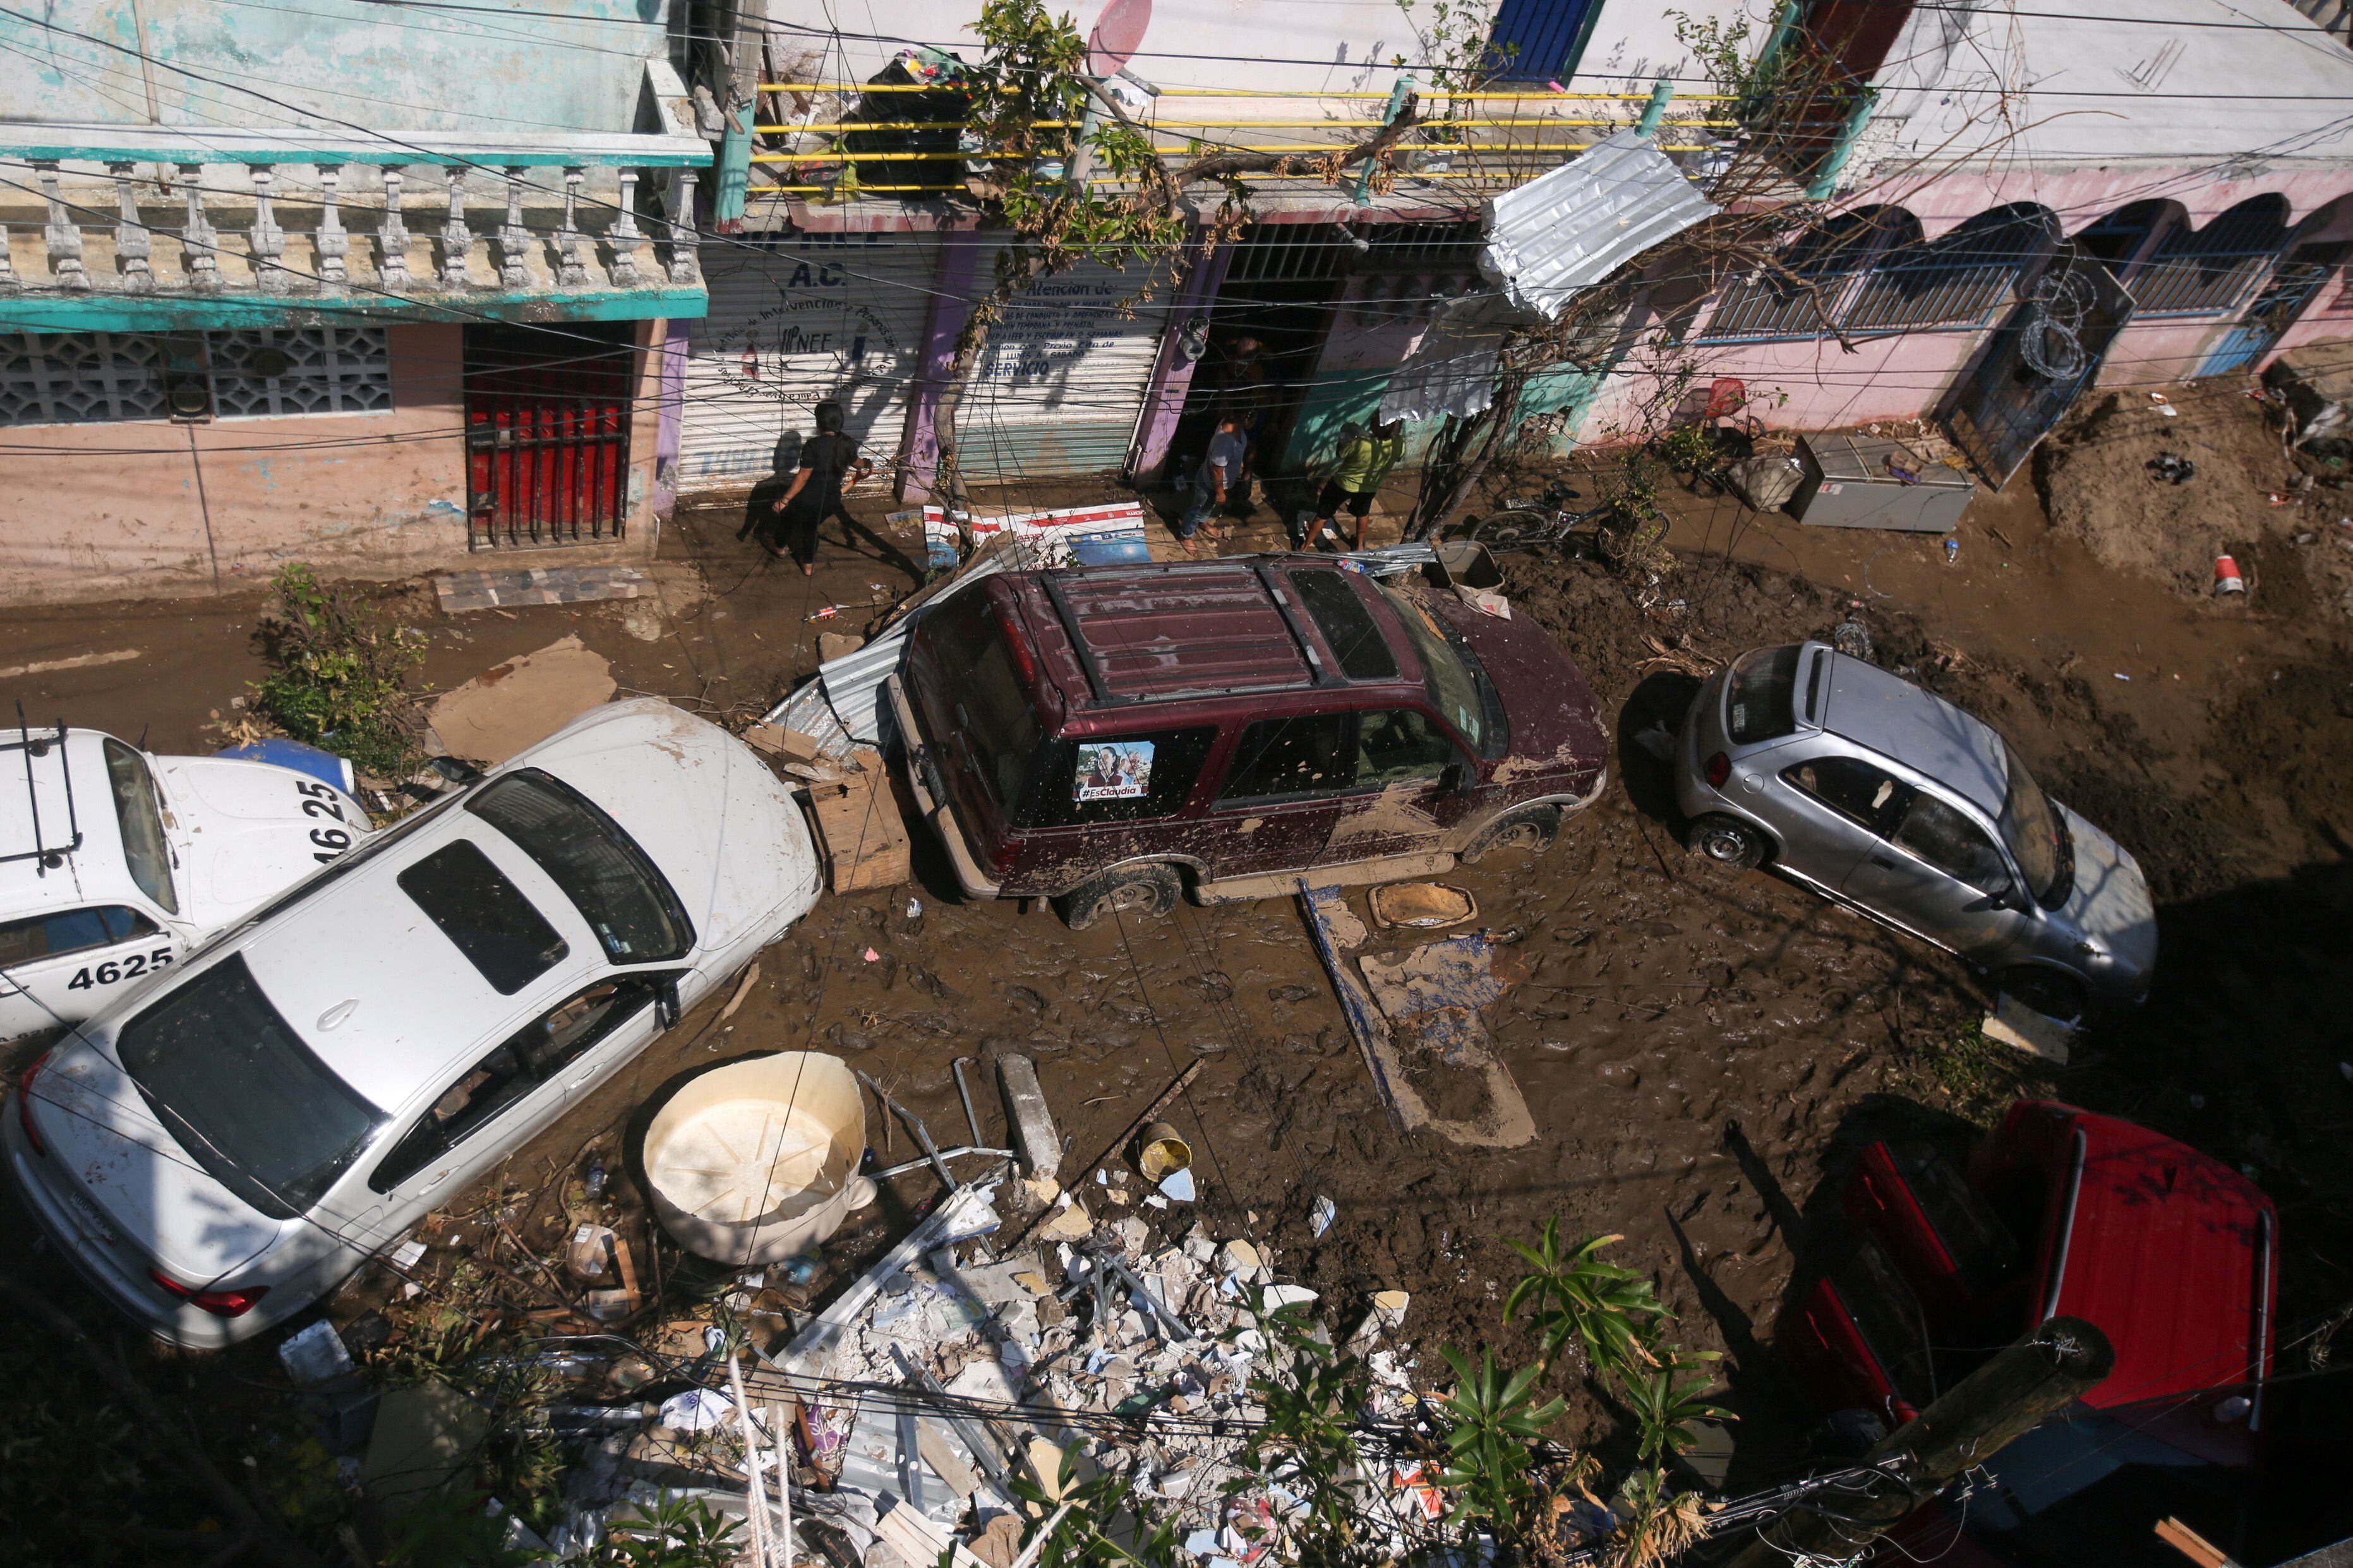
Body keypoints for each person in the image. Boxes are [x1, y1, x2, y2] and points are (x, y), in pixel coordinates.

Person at [749, 400, 872, 575]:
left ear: (819, 422)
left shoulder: (813, 446)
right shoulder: (847, 444)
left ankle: (779, 547)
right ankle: (808, 565)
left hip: (807, 501)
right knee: (812, 527)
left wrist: (785, 500)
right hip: (831, 502)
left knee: (788, 520)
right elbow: (859, 463)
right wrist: (868, 463)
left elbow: (803, 476)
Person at [1311, 416, 1407, 550]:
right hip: (1369, 488)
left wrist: (1345, 437)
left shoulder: (1361, 443)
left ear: (1378, 426)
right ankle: (1359, 545)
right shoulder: (1399, 442)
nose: (1371, 420)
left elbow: (1341, 454)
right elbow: (1398, 458)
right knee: (1362, 513)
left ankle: (1304, 547)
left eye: (1374, 420)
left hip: (1343, 484)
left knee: (1323, 514)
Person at [1180, 412, 1247, 546]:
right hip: (1210, 484)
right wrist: (1220, 492)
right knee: (1197, 509)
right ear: (1246, 420)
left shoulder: (1234, 426)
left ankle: (1203, 522)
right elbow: (1217, 470)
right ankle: (1186, 537)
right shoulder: (1226, 441)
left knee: (1208, 506)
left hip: (1215, 483)